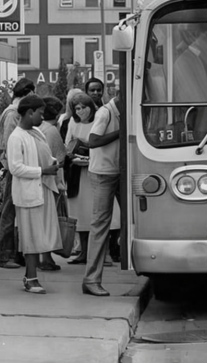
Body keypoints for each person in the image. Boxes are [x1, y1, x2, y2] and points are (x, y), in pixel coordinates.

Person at [7, 95, 61, 294]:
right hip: (29, 194)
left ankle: (32, 276)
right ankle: (31, 278)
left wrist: (53, 163)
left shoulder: (37, 131)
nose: (42, 116)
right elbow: (16, 168)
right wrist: (42, 171)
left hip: (43, 188)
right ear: (29, 113)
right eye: (40, 113)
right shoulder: (16, 137)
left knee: (42, 235)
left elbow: (43, 154)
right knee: (31, 237)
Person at [82, 94, 121, 296]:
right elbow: (93, 140)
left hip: (118, 171)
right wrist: (119, 133)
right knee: (100, 225)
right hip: (103, 174)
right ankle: (91, 279)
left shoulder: (121, 111)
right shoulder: (105, 112)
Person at [0, 77, 36, 269]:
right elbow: (9, 143)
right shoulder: (13, 114)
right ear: (27, 93)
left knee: (12, 210)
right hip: (14, 168)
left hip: (14, 167)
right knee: (9, 210)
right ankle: (6, 255)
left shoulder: (12, 112)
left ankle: (13, 253)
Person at [63, 92, 97, 265]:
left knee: (95, 212)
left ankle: (98, 253)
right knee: (80, 213)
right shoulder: (72, 123)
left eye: (83, 107)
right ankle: (83, 250)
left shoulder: (99, 120)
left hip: (94, 170)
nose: (80, 111)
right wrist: (73, 156)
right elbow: (68, 144)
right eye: (77, 108)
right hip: (77, 172)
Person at [36, 96, 66, 272]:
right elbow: (60, 158)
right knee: (49, 220)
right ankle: (46, 257)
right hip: (50, 179)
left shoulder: (34, 129)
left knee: (39, 221)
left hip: (35, 179)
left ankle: (40, 257)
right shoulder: (52, 130)